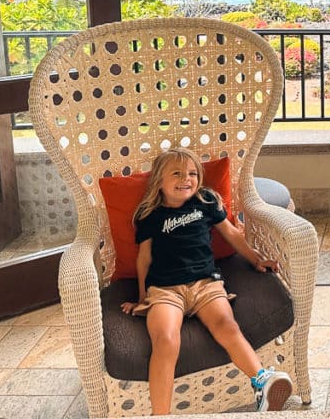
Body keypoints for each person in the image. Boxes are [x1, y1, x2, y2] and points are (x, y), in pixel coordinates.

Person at [120, 147, 292, 413]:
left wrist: (257, 259)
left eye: (192, 173)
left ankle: (262, 381)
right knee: (166, 339)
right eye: (176, 173)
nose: (186, 179)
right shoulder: (150, 215)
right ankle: (160, 414)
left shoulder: (206, 201)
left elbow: (233, 235)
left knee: (227, 325)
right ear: (159, 181)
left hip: (206, 284)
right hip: (166, 290)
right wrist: (142, 298)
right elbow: (143, 259)